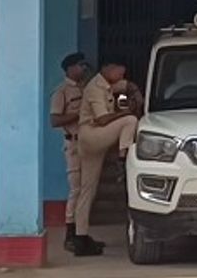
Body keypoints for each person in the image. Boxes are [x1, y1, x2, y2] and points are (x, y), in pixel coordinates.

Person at [73, 60, 143, 256]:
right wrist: (125, 113)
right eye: (119, 72)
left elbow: (127, 86)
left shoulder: (108, 83)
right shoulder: (95, 88)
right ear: (108, 69)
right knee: (130, 121)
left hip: (91, 139)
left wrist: (135, 93)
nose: (121, 77)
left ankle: (80, 237)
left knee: (88, 190)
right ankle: (123, 159)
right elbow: (102, 119)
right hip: (93, 135)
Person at [48, 52, 99, 253]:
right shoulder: (61, 92)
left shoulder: (86, 88)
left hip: (88, 142)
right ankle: (70, 234)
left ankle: (82, 233)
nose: (83, 69)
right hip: (74, 144)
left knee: (87, 190)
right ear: (70, 68)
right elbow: (55, 120)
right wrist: (79, 114)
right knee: (76, 190)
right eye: (79, 65)